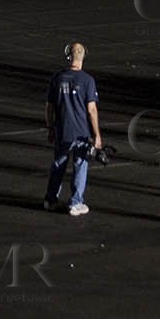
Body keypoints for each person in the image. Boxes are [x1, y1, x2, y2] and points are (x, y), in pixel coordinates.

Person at [45, 42, 102, 217]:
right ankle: (76, 203)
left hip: (62, 131)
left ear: (68, 57)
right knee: (80, 166)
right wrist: (97, 135)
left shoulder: (57, 78)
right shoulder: (87, 81)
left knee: (58, 165)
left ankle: (50, 199)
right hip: (81, 133)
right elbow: (91, 109)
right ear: (83, 58)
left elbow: (49, 107)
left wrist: (50, 128)